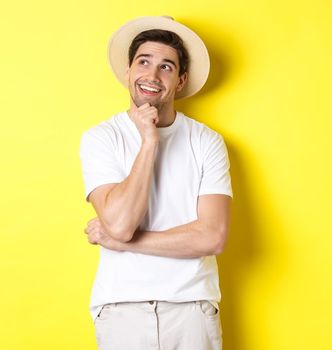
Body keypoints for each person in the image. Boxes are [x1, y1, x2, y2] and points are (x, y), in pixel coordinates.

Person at [79, 16, 231, 350]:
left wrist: (126, 243)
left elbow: (212, 236)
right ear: (129, 71)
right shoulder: (101, 138)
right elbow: (119, 224)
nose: (152, 75)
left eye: (166, 66)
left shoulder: (207, 142)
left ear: (180, 81)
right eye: (143, 62)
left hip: (191, 307)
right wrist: (149, 141)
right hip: (121, 308)